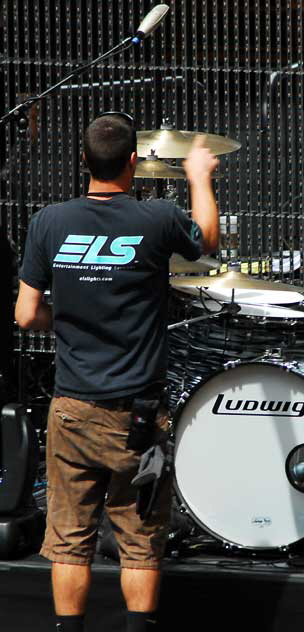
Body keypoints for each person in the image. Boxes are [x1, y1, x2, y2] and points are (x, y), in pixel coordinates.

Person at [15, 112, 219, 632]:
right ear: (134, 161)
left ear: (83, 161)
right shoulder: (156, 219)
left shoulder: (48, 221)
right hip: (138, 414)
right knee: (139, 539)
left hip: (72, 409)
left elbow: (24, 314)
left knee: (68, 540)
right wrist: (198, 176)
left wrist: (75, 312)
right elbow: (209, 242)